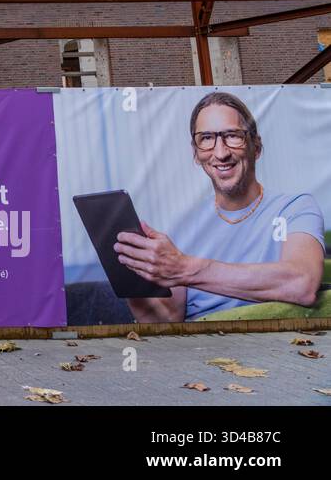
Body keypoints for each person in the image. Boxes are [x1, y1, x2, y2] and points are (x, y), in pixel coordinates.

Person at [116, 91, 325, 323]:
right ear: (196, 154)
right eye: (206, 139)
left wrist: (186, 268)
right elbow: (168, 319)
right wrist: (131, 277)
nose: (221, 153)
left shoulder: (295, 208)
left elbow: (301, 284)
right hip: (195, 349)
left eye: (233, 136)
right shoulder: (184, 224)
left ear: (256, 147)